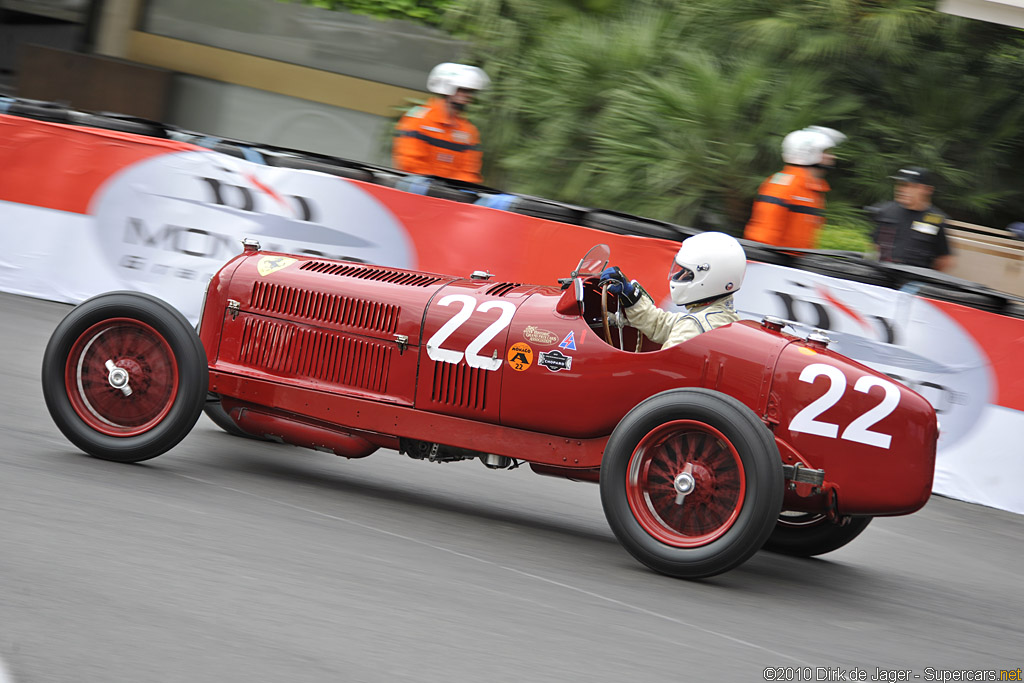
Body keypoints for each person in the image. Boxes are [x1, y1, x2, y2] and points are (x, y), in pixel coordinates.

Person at [598, 232, 746, 350]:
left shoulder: (693, 328)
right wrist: (631, 296)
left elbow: (657, 373)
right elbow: (659, 325)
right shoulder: (724, 317)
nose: (679, 276)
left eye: (687, 273)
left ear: (709, 277)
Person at [744, 126, 847, 249]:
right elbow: (763, 236)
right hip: (774, 264)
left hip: (793, 263)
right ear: (810, 153)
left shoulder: (813, 189)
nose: (832, 157)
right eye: (826, 152)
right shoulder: (784, 185)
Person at [392, 62, 490, 183]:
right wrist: (435, 188)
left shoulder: (468, 131)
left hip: (449, 195)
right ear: (446, 87)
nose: (468, 96)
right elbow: (410, 163)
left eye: (470, 91)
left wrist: (456, 191)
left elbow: (469, 172)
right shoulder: (418, 120)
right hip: (416, 190)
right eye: (462, 90)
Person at [870, 167, 954, 272]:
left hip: (914, 278)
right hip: (882, 272)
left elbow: (944, 259)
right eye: (901, 184)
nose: (903, 190)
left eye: (912, 186)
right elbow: (872, 246)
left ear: (927, 190)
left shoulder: (936, 219)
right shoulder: (883, 211)